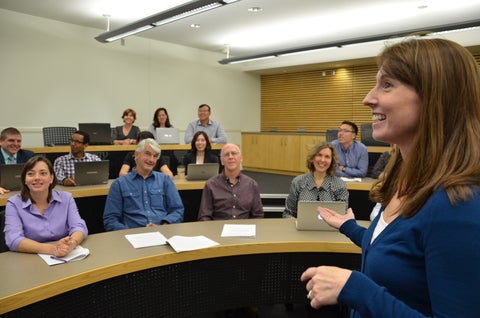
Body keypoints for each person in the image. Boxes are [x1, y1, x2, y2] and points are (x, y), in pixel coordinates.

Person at [300, 38, 480, 317]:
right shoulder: (403, 178)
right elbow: (398, 250)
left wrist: (356, 289)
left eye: (387, 85)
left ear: (435, 96)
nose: (368, 98)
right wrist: (349, 226)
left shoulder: (458, 204)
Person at [4, 156, 87, 256]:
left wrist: (72, 243)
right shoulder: (13, 203)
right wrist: (52, 249)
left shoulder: (66, 198)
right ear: (25, 180)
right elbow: (13, 239)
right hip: (31, 259)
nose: (37, 178)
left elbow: (79, 227)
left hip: (65, 255)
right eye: (31, 174)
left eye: (43, 173)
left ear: (51, 178)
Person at [104, 138, 184, 230]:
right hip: (131, 236)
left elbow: (177, 210)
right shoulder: (119, 184)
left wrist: (163, 226)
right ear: (136, 154)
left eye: (155, 156)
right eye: (147, 154)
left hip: (163, 232)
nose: (151, 160)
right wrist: (131, 233)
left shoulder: (165, 180)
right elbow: (110, 219)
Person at [198, 143, 263, 221]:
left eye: (234, 153)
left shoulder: (252, 185)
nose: (230, 157)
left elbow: (258, 215)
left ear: (241, 158)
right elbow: (204, 216)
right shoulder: (211, 185)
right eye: (226, 154)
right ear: (222, 161)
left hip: (244, 230)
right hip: (218, 230)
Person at [283, 142, 348, 218]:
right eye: (319, 155)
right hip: (303, 228)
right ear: (313, 158)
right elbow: (288, 213)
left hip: (330, 229)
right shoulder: (298, 182)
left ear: (332, 161)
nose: (322, 160)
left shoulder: (340, 184)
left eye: (327, 157)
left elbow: (343, 215)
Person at [0, 127, 35, 194]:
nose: (16, 144)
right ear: (1, 142)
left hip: (24, 192)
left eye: (19, 141)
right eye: (11, 140)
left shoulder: (29, 156)